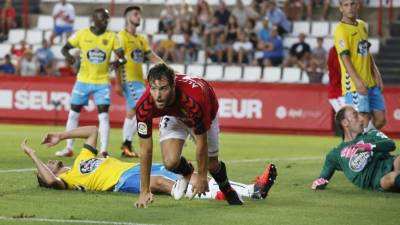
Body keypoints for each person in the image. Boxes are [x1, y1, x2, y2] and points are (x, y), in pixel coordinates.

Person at [134, 63, 278, 208]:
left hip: (206, 112)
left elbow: (201, 142)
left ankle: (227, 189)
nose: (158, 95)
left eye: (163, 88)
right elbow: (145, 150)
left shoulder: (193, 100)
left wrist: (202, 177)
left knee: (212, 164)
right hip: (173, 116)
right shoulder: (144, 106)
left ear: (173, 86)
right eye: (153, 88)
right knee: (170, 162)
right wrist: (144, 191)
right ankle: (187, 172)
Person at [21, 126, 277, 201]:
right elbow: (50, 181)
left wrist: (61, 136)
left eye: (46, 160)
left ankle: (251, 190)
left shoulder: (82, 159)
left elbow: (92, 131)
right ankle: (246, 194)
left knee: (193, 175)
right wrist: (33, 156)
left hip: (134, 168)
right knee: (163, 184)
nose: (50, 160)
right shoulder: (66, 180)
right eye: (46, 164)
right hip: (120, 182)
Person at [56, 8, 125, 158]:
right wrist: (68, 56)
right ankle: (68, 147)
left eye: (107, 20)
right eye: (103, 19)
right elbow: (64, 48)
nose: (106, 22)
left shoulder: (112, 36)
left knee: (104, 116)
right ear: (94, 19)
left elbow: (122, 57)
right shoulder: (82, 34)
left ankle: (104, 150)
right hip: (83, 80)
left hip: (102, 82)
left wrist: (118, 62)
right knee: (73, 113)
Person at [311, 105, 400, 192]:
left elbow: (391, 144)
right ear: (345, 123)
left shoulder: (371, 134)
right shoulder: (335, 154)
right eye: (355, 116)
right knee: (390, 179)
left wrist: (367, 147)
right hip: (377, 179)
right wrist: (319, 182)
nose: (361, 119)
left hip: (390, 163)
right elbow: (322, 178)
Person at [115, 6, 164, 158]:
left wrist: (168, 68)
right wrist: (117, 83)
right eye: (136, 14)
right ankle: (126, 144)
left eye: (139, 15)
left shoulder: (141, 39)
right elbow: (118, 60)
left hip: (139, 81)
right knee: (144, 108)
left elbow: (153, 57)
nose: (139, 17)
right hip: (128, 80)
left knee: (132, 113)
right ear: (128, 17)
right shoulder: (121, 36)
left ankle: (126, 145)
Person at [334, 0, 385, 131]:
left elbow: (366, 52)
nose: (349, 8)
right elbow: (345, 58)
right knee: (362, 121)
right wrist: (358, 82)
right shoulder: (340, 30)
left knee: (380, 120)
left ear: (357, 5)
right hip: (354, 85)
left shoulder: (362, 25)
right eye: (345, 5)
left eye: (352, 4)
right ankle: (359, 150)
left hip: (370, 82)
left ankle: (363, 147)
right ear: (341, 8)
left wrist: (376, 73)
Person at [327, 46, 345, 113]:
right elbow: (339, 69)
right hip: (336, 93)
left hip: (344, 92)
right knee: (346, 117)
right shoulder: (334, 50)